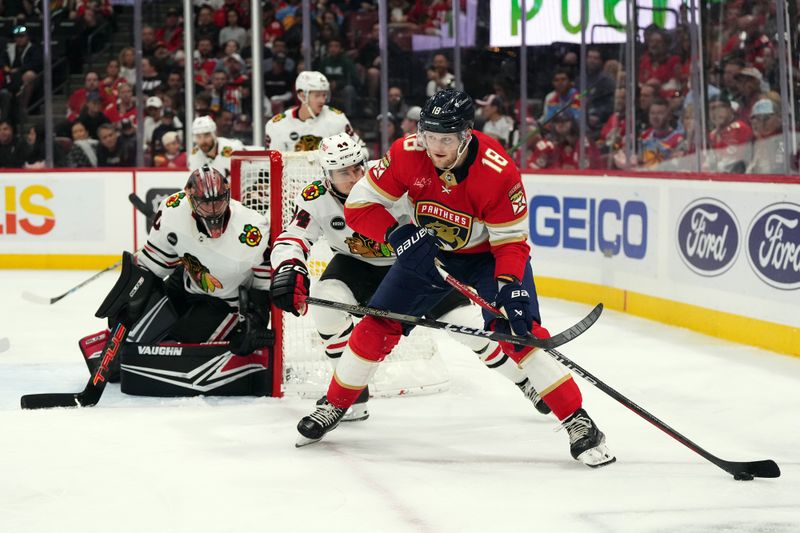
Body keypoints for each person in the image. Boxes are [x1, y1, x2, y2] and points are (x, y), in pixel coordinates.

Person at [293, 89, 615, 468]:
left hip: (486, 260)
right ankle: (337, 403)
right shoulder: (406, 153)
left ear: (466, 134)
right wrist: (398, 236)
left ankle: (578, 421)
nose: (436, 147)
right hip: (428, 254)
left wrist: (510, 284)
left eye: (446, 138)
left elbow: (510, 241)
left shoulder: (498, 172)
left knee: (519, 333)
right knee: (377, 324)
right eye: (430, 136)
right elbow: (361, 206)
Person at [270, 133, 551, 422]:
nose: (354, 177)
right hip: (355, 266)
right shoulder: (315, 198)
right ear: (326, 175)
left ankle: (525, 382)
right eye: (343, 172)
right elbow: (292, 237)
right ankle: (350, 397)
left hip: (414, 267)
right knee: (325, 306)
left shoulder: (388, 177)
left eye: (357, 167)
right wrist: (290, 267)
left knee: (466, 328)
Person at [79, 165, 273, 385]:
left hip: (225, 304)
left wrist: (255, 322)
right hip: (185, 282)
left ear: (228, 194)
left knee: (181, 340)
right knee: (137, 327)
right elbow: (154, 264)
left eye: (218, 201)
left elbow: (264, 281)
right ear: (190, 200)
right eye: (205, 204)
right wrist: (130, 296)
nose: (213, 210)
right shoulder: (172, 209)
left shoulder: (252, 229)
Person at [264, 71, 362, 152]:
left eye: (324, 95)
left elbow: (361, 150)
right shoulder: (278, 124)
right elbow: (273, 164)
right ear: (302, 95)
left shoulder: (337, 119)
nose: (322, 100)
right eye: (317, 95)